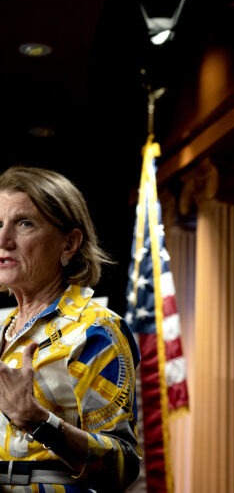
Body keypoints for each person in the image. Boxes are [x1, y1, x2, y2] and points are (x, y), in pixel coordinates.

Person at [0, 165, 142, 491]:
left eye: (24, 223)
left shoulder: (95, 330)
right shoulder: (4, 328)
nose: (3, 240)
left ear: (69, 243)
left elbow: (122, 467)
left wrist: (36, 421)